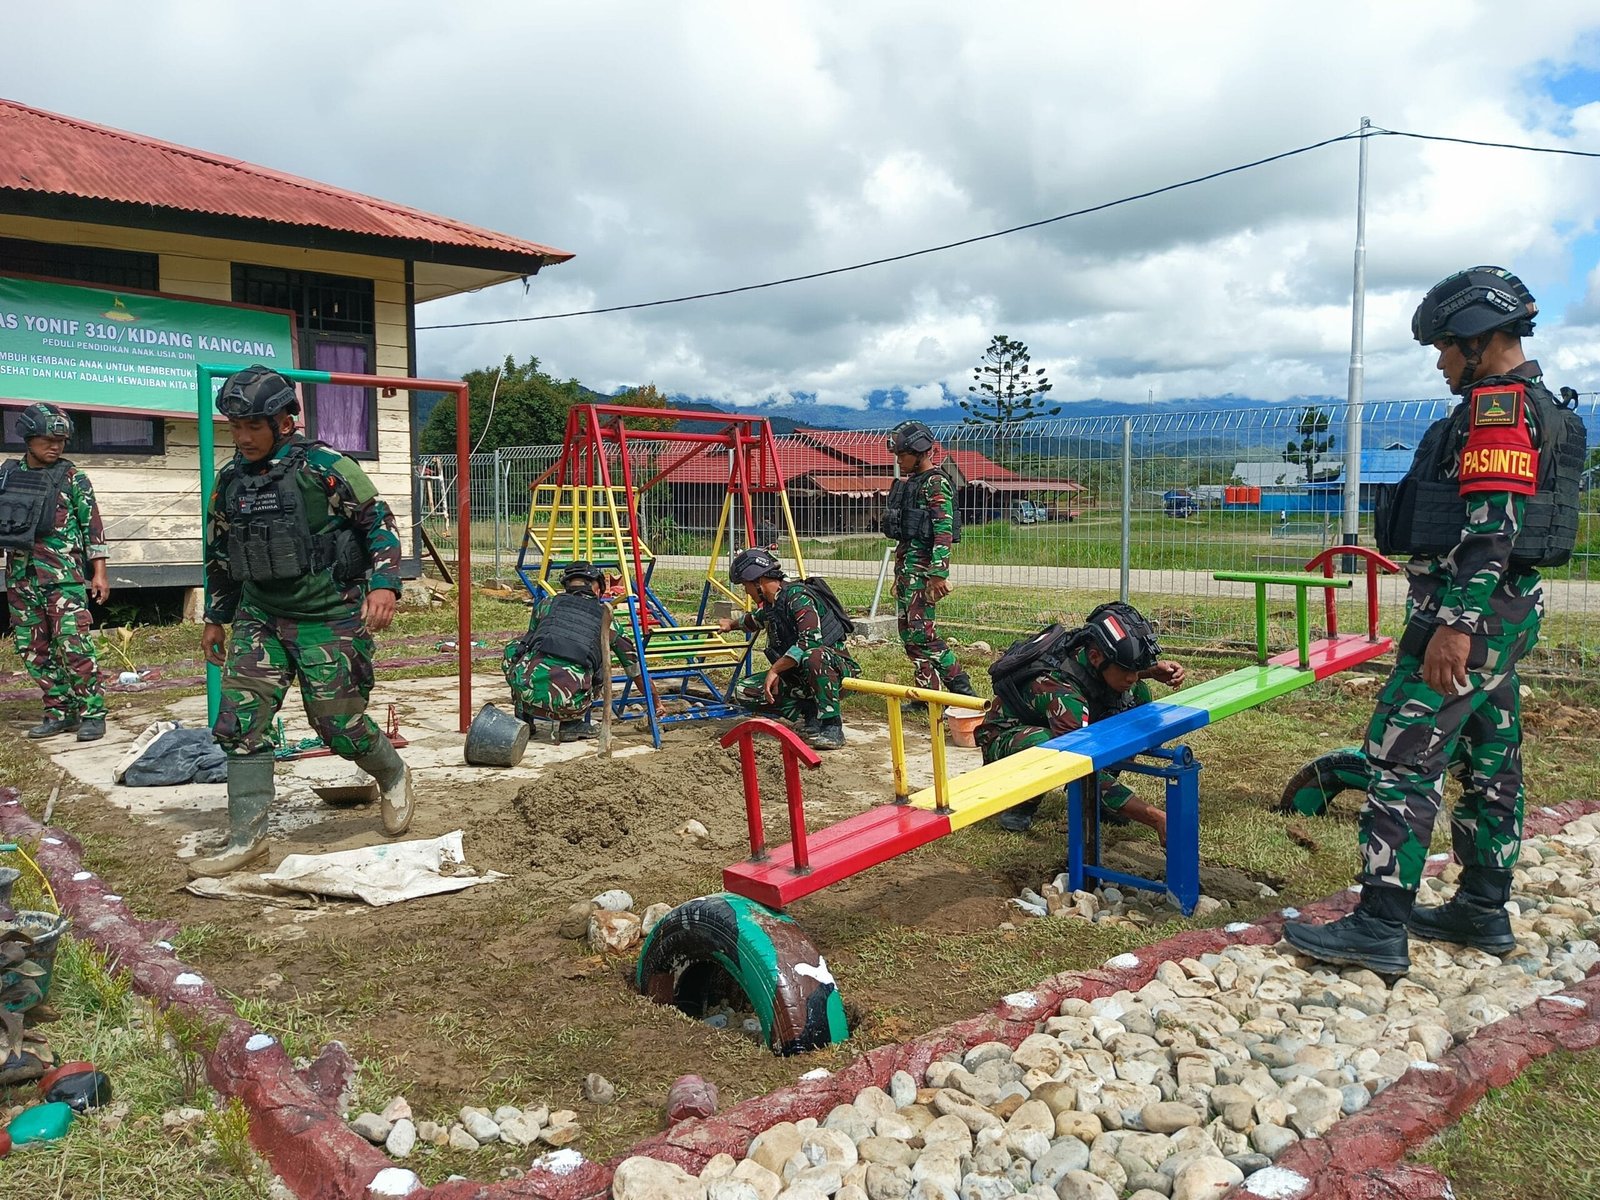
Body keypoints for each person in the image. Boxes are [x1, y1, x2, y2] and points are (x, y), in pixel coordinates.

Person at [1286, 267, 1585, 975]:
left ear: (1480, 339)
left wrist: (1455, 624)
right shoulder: (1534, 404)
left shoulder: (1499, 408)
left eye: (1447, 347)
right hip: (1505, 618)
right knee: (1492, 759)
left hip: (1469, 619)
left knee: (1400, 756)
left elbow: (1493, 526)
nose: (1442, 361)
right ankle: (1481, 910)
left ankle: (1378, 927)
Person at [190, 365, 412, 878]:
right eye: (234, 426)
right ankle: (247, 840)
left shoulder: (325, 467)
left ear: (284, 422)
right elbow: (220, 552)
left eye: (253, 426)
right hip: (260, 617)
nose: (242, 437)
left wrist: (384, 583)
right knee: (240, 724)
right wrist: (216, 617)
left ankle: (393, 774)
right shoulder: (231, 481)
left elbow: (379, 523)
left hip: (329, 617)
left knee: (338, 726)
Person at [979, 602, 1185, 836]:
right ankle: (1022, 802)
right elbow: (1078, 764)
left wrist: (1149, 670)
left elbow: (1106, 676)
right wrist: (1154, 817)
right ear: (1096, 657)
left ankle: (1101, 799)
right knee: (1048, 744)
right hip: (1005, 740)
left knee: (1137, 694)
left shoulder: (1093, 658)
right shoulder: (1062, 691)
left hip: (1054, 719)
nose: (1132, 677)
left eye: (1136, 669)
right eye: (1127, 669)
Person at [0, 404, 110, 741]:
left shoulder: (73, 478)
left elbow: (93, 527)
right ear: (29, 439)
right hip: (21, 577)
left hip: (63, 578)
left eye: (61, 440)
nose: (56, 446)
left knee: (74, 645)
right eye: (48, 440)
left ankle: (93, 712)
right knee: (33, 648)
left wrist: (99, 573)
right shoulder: (8, 475)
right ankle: (60, 710)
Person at [719, 547, 859, 751]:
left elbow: (810, 641)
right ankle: (811, 715)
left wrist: (775, 670)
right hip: (803, 675)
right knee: (746, 690)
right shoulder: (771, 606)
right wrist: (730, 625)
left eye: (745, 586)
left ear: (758, 582)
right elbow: (753, 619)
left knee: (814, 655)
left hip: (835, 670)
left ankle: (832, 726)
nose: (745, 592)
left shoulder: (797, 597)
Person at [503, 561, 654, 741]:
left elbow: (529, 642)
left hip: (525, 692)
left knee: (515, 648)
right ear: (597, 588)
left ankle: (524, 716)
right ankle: (571, 725)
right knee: (599, 667)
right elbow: (635, 670)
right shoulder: (608, 621)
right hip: (569, 704)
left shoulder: (547, 604)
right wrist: (656, 702)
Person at [881, 420, 975, 710]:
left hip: (924, 574)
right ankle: (927, 694)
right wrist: (898, 575)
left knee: (925, 636)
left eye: (903, 454)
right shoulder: (912, 484)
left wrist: (938, 574)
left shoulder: (936, 483)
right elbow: (906, 537)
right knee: (909, 635)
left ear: (921, 452)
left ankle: (964, 693)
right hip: (909, 573)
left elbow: (943, 532)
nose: (899, 460)